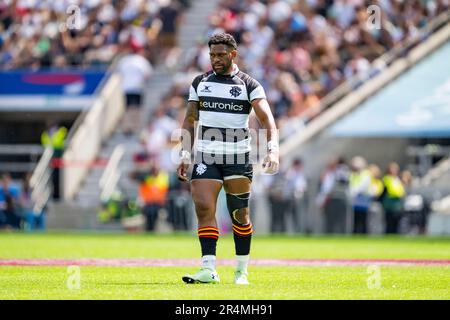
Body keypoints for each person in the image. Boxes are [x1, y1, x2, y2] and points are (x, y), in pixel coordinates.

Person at [177, 33, 279, 285]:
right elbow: (190, 120)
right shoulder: (200, 82)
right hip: (206, 155)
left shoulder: (249, 84)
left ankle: (241, 270)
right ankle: (208, 268)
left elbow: (267, 119)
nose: (216, 59)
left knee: (239, 216)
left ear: (233, 54)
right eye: (212, 55)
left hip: (237, 156)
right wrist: (186, 153)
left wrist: (273, 150)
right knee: (203, 207)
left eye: (221, 55)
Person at [41, 123, 67, 200]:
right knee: (51, 180)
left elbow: (63, 133)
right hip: (50, 161)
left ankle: (57, 196)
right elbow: (46, 145)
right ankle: (53, 196)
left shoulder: (59, 133)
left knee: (57, 180)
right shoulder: (46, 135)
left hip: (58, 161)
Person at [381, 162, 406, 234]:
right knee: (389, 222)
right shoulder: (386, 179)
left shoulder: (398, 179)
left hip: (397, 204)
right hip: (389, 203)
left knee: (397, 223)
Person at [349, 156, 372, 234]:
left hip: (363, 200)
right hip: (354, 201)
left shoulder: (366, 174)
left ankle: (363, 233)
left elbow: (361, 187)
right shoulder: (353, 174)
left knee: (363, 219)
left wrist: (353, 192)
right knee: (355, 220)